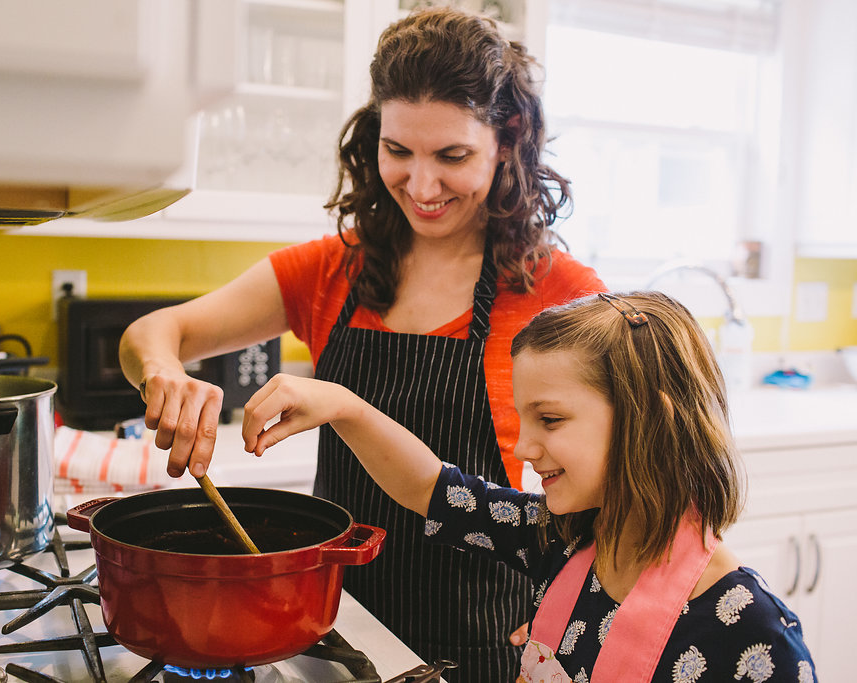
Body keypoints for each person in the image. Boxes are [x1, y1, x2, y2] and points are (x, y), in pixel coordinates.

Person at [119, 7, 604, 680]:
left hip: (487, 647)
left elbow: (613, 488)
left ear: (507, 142)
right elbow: (153, 333)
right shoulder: (331, 270)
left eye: (452, 156)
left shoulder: (559, 292)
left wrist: (582, 596)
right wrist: (163, 375)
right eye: (399, 151)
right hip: (331, 635)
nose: (422, 185)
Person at [241, 291, 817, 682]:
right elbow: (430, 488)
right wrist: (344, 406)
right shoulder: (561, 540)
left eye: (551, 419)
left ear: (649, 419)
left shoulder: (752, 632)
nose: (523, 447)